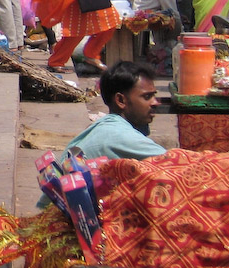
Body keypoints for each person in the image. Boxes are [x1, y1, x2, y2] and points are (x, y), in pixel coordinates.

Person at [36, 61, 165, 208]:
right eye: (147, 97)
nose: (155, 103)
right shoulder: (119, 136)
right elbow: (181, 164)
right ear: (121, 100)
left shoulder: (107, 126)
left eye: (154, 96)